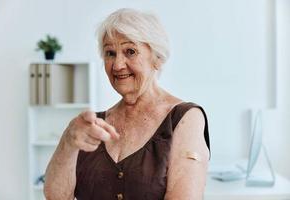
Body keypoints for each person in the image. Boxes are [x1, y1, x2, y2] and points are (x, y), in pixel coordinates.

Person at [44, 8, 210, 200]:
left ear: (157, 58)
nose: (117, 65)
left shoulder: (184, 118)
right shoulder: (94, 125)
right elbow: (56, 197)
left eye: (130, 51)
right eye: (110, 53)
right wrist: (68, 141)